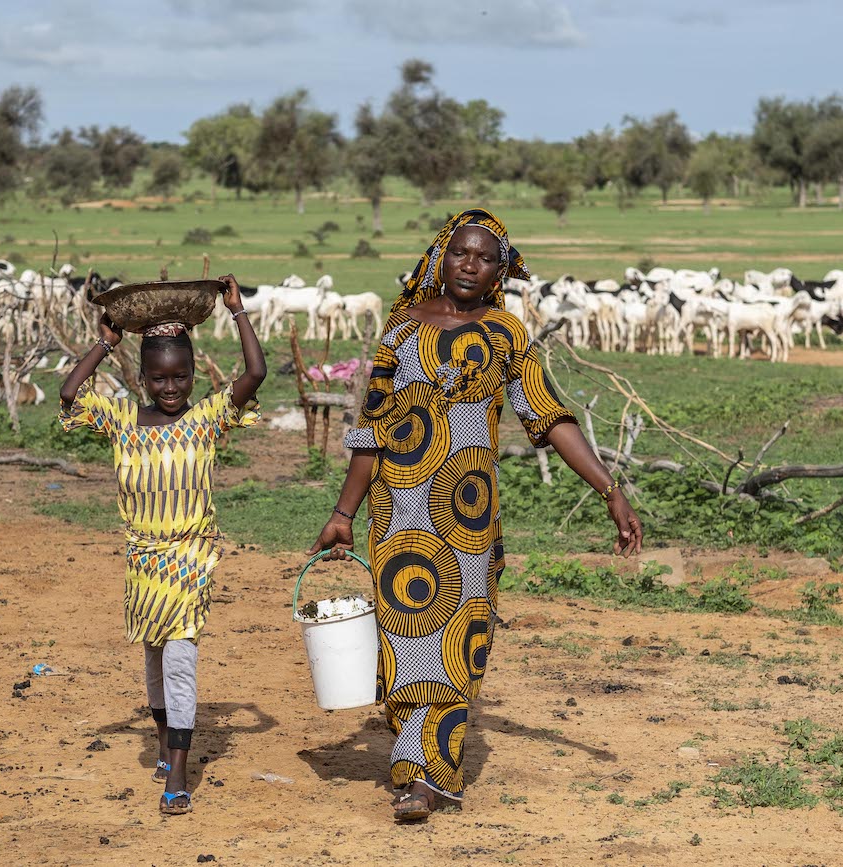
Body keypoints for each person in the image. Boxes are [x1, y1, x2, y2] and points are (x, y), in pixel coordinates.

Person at [309, 209, 643, 822]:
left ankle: (433, 776)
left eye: (486, 257)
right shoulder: (402, 328)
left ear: (500, 270)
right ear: (441, 254)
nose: (471, 263)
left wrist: (609, 489)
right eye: (462, 252)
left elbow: (550, 416)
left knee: (461, 641)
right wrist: (342, 511)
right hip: (399, 509)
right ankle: (417, 772)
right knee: (407, 640)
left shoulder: (506, 334)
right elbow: (371, 428)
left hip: (468, 516)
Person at [58, 275, 266, 816]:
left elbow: (256, 373)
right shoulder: (123, 420)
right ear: (143, 377)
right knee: (153, 655)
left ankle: (178, 770)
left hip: (191, 556)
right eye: (158, 378)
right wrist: (107, 341)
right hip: (143, 557)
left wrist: (237, 311)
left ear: (195, 374)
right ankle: (161, 739)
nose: (170, 388)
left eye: (180, 376)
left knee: (179, 658)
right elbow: (68, 394)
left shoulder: (205, 419)